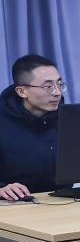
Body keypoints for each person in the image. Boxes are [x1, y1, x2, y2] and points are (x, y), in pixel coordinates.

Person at [0, 55, 66, 200]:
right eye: (48, 87)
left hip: (63, 201)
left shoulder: (67, 118)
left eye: (59, 84)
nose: (57, 93)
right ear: (22, 92)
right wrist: (1, 188)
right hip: (15, 205)